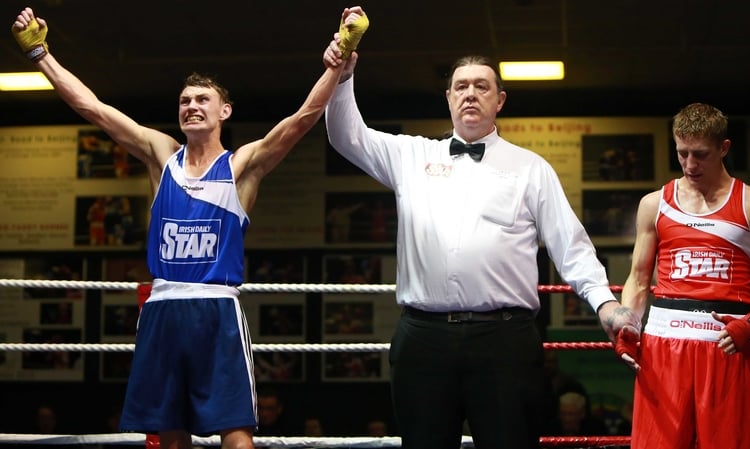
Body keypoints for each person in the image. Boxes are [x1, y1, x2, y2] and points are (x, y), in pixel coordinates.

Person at [11, 6, 366, 449]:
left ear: (225, 111)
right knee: (169, 433)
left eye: (202, 100)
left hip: (216, 309)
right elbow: (93, 109)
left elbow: (303, 119)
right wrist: (41, 54)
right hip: (162, 308)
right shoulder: (161, 154)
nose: (192, 106)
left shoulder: (241, 165)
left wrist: (340, 59)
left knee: (234, 432)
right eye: (185, 101)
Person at [323, 7, 639, 448]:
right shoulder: (411, 156)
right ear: (448, 97)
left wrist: (605, 304)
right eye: (461, 86)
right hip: (423, 338)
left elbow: (571, 246)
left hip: (504, 340)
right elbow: (345, 136)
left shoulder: (531, 168)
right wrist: (342, 75)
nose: (470, 94)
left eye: (481, 86)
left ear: (499, 100)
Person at [615, 102, 750, 449]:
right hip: (664, 344)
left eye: (701, 154)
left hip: (728, 343)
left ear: (723, 148)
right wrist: (628, 326)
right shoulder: (655, 203)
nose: (690, 164)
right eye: (682, 154)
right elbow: (638, 279)